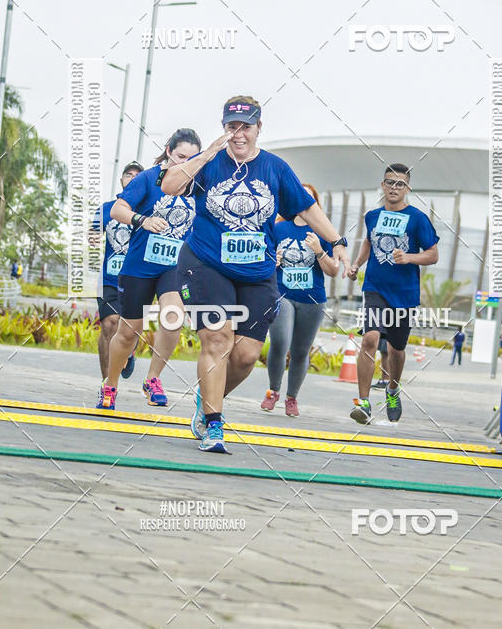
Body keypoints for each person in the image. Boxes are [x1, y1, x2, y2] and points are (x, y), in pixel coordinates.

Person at [163, 95, 351, 453]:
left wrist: (336, 240)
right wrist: (206, 154)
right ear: (223, 129)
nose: (238, 134)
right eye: (231, 127)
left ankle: (207, 401)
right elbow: (170, 185)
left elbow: (307, 208)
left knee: (247, 355)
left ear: (258, 128)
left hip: (257, 272)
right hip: (205, 264)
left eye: (245, 127)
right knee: (217, 339)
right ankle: (215, 424)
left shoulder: (275, 168)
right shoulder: (210, 163)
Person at [97, 129, 202, 410]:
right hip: (139, 267)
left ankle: (152, 378)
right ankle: (110, 384)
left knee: (173, 316)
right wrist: (141, 220)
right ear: (169, 151)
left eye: (192, 159)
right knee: (128, 332)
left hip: (173, 267)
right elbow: (118, 209)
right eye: (180, 156)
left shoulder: (199, 184)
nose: (185, 163)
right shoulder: (149, 178)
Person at [347, 163, 439, 425]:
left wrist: (408, 257)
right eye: (389, 182)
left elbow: (433, 254)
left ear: (407, 188)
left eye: (400, 184)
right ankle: (363, 403)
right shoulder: (372, 216)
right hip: (375, 288)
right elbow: (368, 241)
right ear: (382, 185)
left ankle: (392, 390)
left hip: (405, 294)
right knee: (370, 339)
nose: (394, 188)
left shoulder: (418, 218)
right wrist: (356, 264)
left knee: (397, 350)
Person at [260, 183, 340, 417]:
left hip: (312, 299)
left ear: (315, 204)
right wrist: (271, 261)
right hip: (282, 293)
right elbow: (263, 261)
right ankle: (273, 391)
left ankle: (291, 397)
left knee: (300, 350)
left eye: (310, 197)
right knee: (280, 342)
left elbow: (333, 271)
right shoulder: (278, 227)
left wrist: (318, 250)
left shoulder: (324, 233)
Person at [90, 161, 144, 380]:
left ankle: (128, 352)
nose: (131, 178)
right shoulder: (107, 207)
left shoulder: (148, 210)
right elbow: (94, 229)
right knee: (109, 324)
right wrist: (93, 235)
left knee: (130, 328)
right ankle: (107, 385)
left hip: (138, 278)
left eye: (137, 176)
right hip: (110, 279)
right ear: (122, 180)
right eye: (128, 175)